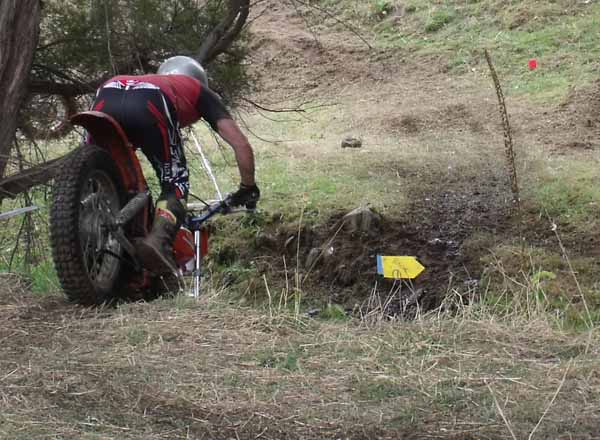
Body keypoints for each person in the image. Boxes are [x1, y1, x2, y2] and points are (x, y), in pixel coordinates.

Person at [90, 55, 260, 274]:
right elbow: (241, 144)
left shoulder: (145, 80)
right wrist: (248, 187)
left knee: (96, 170)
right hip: (150, 101)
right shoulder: (197, 89)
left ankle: (86, 236)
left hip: (107, 91)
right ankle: (158, 241)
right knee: (175, 183)